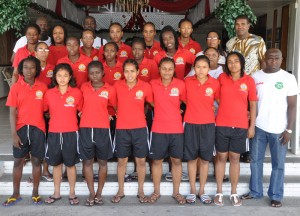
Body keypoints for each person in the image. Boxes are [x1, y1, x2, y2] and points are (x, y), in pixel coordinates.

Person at [241, 48, 298, 207]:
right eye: (270, 58)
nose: (273, 61)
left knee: (278, 164)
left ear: (282, 59)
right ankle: (255, 191)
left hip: (279, 129)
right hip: (259, 127)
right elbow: (250, 102)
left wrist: (289, 129)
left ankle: (276, 195)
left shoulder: (288, 78)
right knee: (255, 161)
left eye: (277, 58)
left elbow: (292, 106)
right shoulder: (255, 77)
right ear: (264, 59)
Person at [3, 56, 47, 206]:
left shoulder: (43, 87)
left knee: (36, 161)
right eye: (26, 67)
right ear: (21, 70)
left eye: (32, 67)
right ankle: (16, 193)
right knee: (18, 162)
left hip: (38, 129)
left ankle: (35, 192)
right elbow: (11, 112)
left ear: (37, 70)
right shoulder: (16, 87)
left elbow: (47, 110)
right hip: (21, 129)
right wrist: (14, 134)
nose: (29, 70)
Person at [214, 52, 257, 207]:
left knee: (235, 158)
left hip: (240, 126)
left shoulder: (249, 81)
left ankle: (233, 192)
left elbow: (252, 105)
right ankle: (219, 192)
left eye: (236, 61)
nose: (233, 64)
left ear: (241, 63)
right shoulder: (222, 78)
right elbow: (216, 97)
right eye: (230, 62)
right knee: (221, 157)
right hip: (222, 124)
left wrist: (251, 126)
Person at [111, 59, 153, 204]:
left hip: (140, 129)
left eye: (132, 71)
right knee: (121, 161)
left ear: (138, 72)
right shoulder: (117, 85)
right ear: (123, 72)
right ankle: (120, 190)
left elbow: (152, 103)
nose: (129, 74)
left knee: (141, 161)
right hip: (122, 129)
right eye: (126, 71)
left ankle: (140, 191)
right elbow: (113, 104)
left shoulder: (145, 86)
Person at [226, 15, 267, 163]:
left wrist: (263, 80)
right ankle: (238, 148)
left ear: (249, 25)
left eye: (243, 24)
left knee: (252, 114)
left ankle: (248, 151)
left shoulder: (258, 41)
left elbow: (263, 61)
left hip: (253, 83)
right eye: (237, 24)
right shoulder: (230, 43)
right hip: (236, 83)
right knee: (239, 114)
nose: (240, 27)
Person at [149, 57, 186, 205]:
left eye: (170, 69)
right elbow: (150, 101)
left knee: (176, 161)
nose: (167, 71)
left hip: (176, 129)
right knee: (157, 160)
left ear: (174, 70)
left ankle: (176, 192)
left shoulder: (181, 85)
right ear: (159, 69)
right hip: (158, 128)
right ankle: (156, 192)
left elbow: (185, 100)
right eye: (164, 68)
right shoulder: (152, 84)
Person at [44, 63, 83, 205]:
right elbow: (45, 110)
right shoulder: (49, 93)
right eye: (59, 75)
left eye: (65, 75)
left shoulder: (77, 93)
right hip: (54, 132)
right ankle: (56, 193)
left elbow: (81, 111)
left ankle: (72, 193)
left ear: (70, 77)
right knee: (56, 164)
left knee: (71, 165)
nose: (62, 78)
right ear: (54, 76)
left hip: (71, 133)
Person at [79, 61, 116, 206]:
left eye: (97, 72)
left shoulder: (110, 89)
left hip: (103, 129)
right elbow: (79, 104)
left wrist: (109, 114)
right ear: (88, 74)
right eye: (91, 73)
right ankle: (91, 192)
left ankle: (99, 193)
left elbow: (114, 106)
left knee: (102, 161)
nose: (95, 75)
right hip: (86, 129)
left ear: (103, 73)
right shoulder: (84, 87)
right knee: (87, 161)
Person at [183, 55, 220, 204]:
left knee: (205, 159)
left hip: (208, 125)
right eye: (198, 67)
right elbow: (183, 99)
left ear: (209, 68)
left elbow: (220, 102)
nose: (201, 70)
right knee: (192, 159)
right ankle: (192, 191)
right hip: (190, 123)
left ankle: (202, 191)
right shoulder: (187, 82)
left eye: (204, 67)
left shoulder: (215, 83)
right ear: (194, 68)